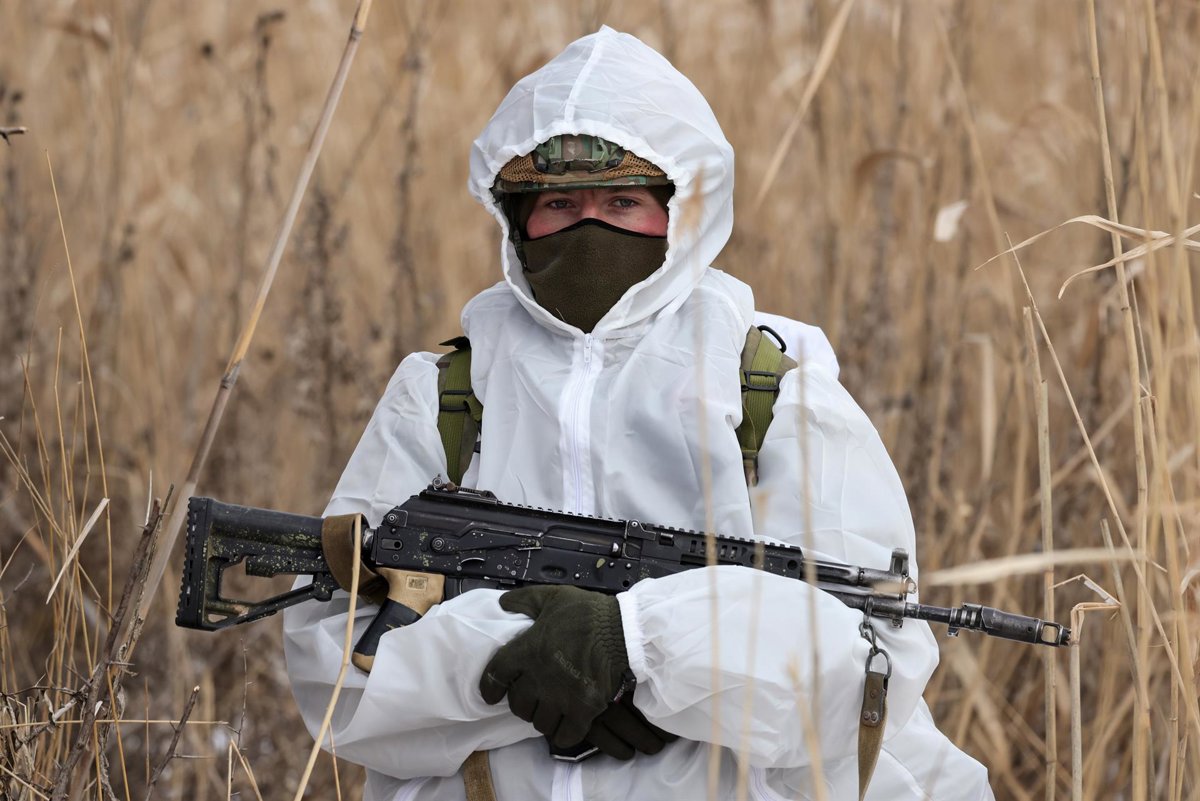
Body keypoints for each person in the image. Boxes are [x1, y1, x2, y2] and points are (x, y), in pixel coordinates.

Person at [284, 26, 994, 801]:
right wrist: (525, 662)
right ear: (517, 218)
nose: (591, 227)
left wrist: (633, 648)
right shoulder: (443, 397)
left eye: (623, 201)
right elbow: (335, 677)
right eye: (559, 204)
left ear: (678, 214)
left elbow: (864, 670)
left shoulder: (774, 393)